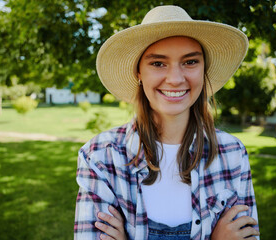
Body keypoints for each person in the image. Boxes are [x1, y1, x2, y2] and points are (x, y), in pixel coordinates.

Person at [74, 5, 259, 240]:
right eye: (158, 63)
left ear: (204, 70)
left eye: (190, 62)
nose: (175, 79)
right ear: (138, 73)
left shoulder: (232, 154)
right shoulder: (101, 156)